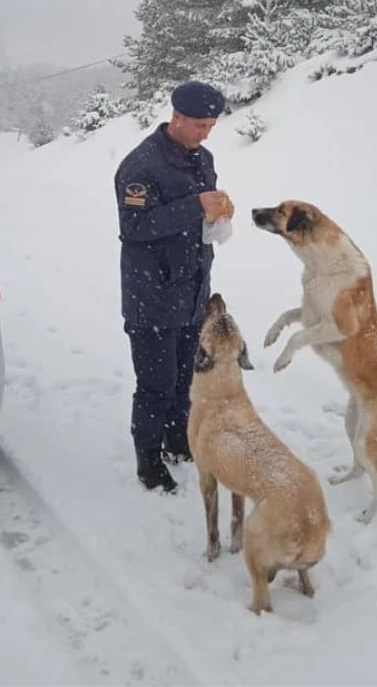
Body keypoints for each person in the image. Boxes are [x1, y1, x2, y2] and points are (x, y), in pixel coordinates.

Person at [114, 80, 235, 492]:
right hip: (151, 295)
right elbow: (133, 227)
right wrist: (194, 207)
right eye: (200, 125)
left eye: (211, 125)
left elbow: (204, 206)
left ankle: (177, 439)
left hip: (192, 289)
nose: (206, 133)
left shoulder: (203, 158)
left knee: (185, 378)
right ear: (177, 118)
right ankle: (148, 459)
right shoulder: (140, 167)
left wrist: (220, 210)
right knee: (155, 384)